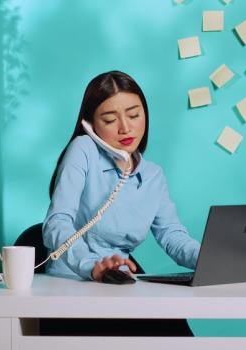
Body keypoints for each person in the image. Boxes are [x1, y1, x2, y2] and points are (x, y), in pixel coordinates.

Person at [41, 70, 200, 336]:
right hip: (73, 284)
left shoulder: (152, 175)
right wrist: (92, 266)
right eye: (110, 119)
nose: (125, 128)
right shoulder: (83, 151)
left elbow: (172, 236)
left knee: (178, 332)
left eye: (134, 115)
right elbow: (56, 223)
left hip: (118, 285)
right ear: (90, 124)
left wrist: (210, 260)